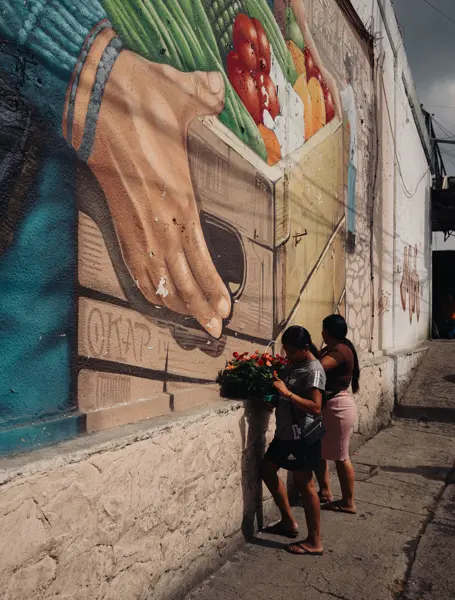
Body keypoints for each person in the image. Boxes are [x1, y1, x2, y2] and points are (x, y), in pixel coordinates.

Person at [261, 325, 326, 556]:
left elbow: (316, 407)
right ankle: (288, 522)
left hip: (302, 436)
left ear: (305, 348)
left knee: (305, 485)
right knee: (267, 469)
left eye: (290, 351)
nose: (286, 355)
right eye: (285, 350)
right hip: (285, 433)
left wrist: (287, 394)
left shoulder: (314, 370)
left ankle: (315, 541)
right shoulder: (294, 364)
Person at [316, 314, 360, 514]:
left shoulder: (340, 350)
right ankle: (325, 492)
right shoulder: (334, 348)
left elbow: (318, 367)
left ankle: (348, 502)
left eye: (323, 329)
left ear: (329, 331)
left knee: (341, 456)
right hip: (331, 407)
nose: (322, 332)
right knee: (321, 452)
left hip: (338, 408)